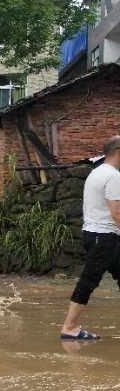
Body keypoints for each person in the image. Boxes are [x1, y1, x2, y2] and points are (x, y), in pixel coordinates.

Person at [60, 135, 120, 340]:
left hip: (96, 234)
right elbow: (117, 212)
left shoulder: (96, 173)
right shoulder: (113, 176)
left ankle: (70, 327)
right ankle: (69, 328)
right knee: (88, 280)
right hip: (104, 237)